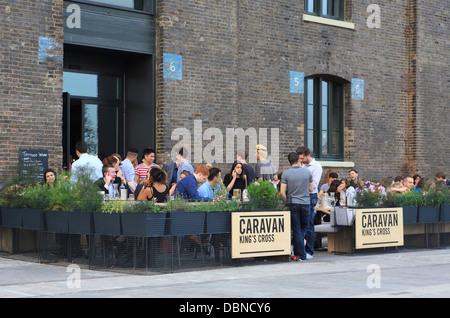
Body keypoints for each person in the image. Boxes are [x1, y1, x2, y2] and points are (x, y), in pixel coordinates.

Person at [279, 152, 314, 262]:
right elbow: (311, 189)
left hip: (293, 203)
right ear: (299, 160)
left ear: (289, 162)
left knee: (297, 229)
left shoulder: (286, 173)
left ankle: (300, 254)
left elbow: (282, 192)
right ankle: (300, 254)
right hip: (305, 203)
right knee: (304, 227)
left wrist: (286, 201)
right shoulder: (307, 172)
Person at [296, 146, 322, 259]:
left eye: (302, 158)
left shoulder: (316, 167)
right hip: (300, 195)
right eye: (299, 159)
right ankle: (300, 248)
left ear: (308, 155)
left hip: (310, 196)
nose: (300, 160)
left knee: (309, 223)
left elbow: (314, 184)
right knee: (300, 223)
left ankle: (309, 250)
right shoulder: (300, 165)